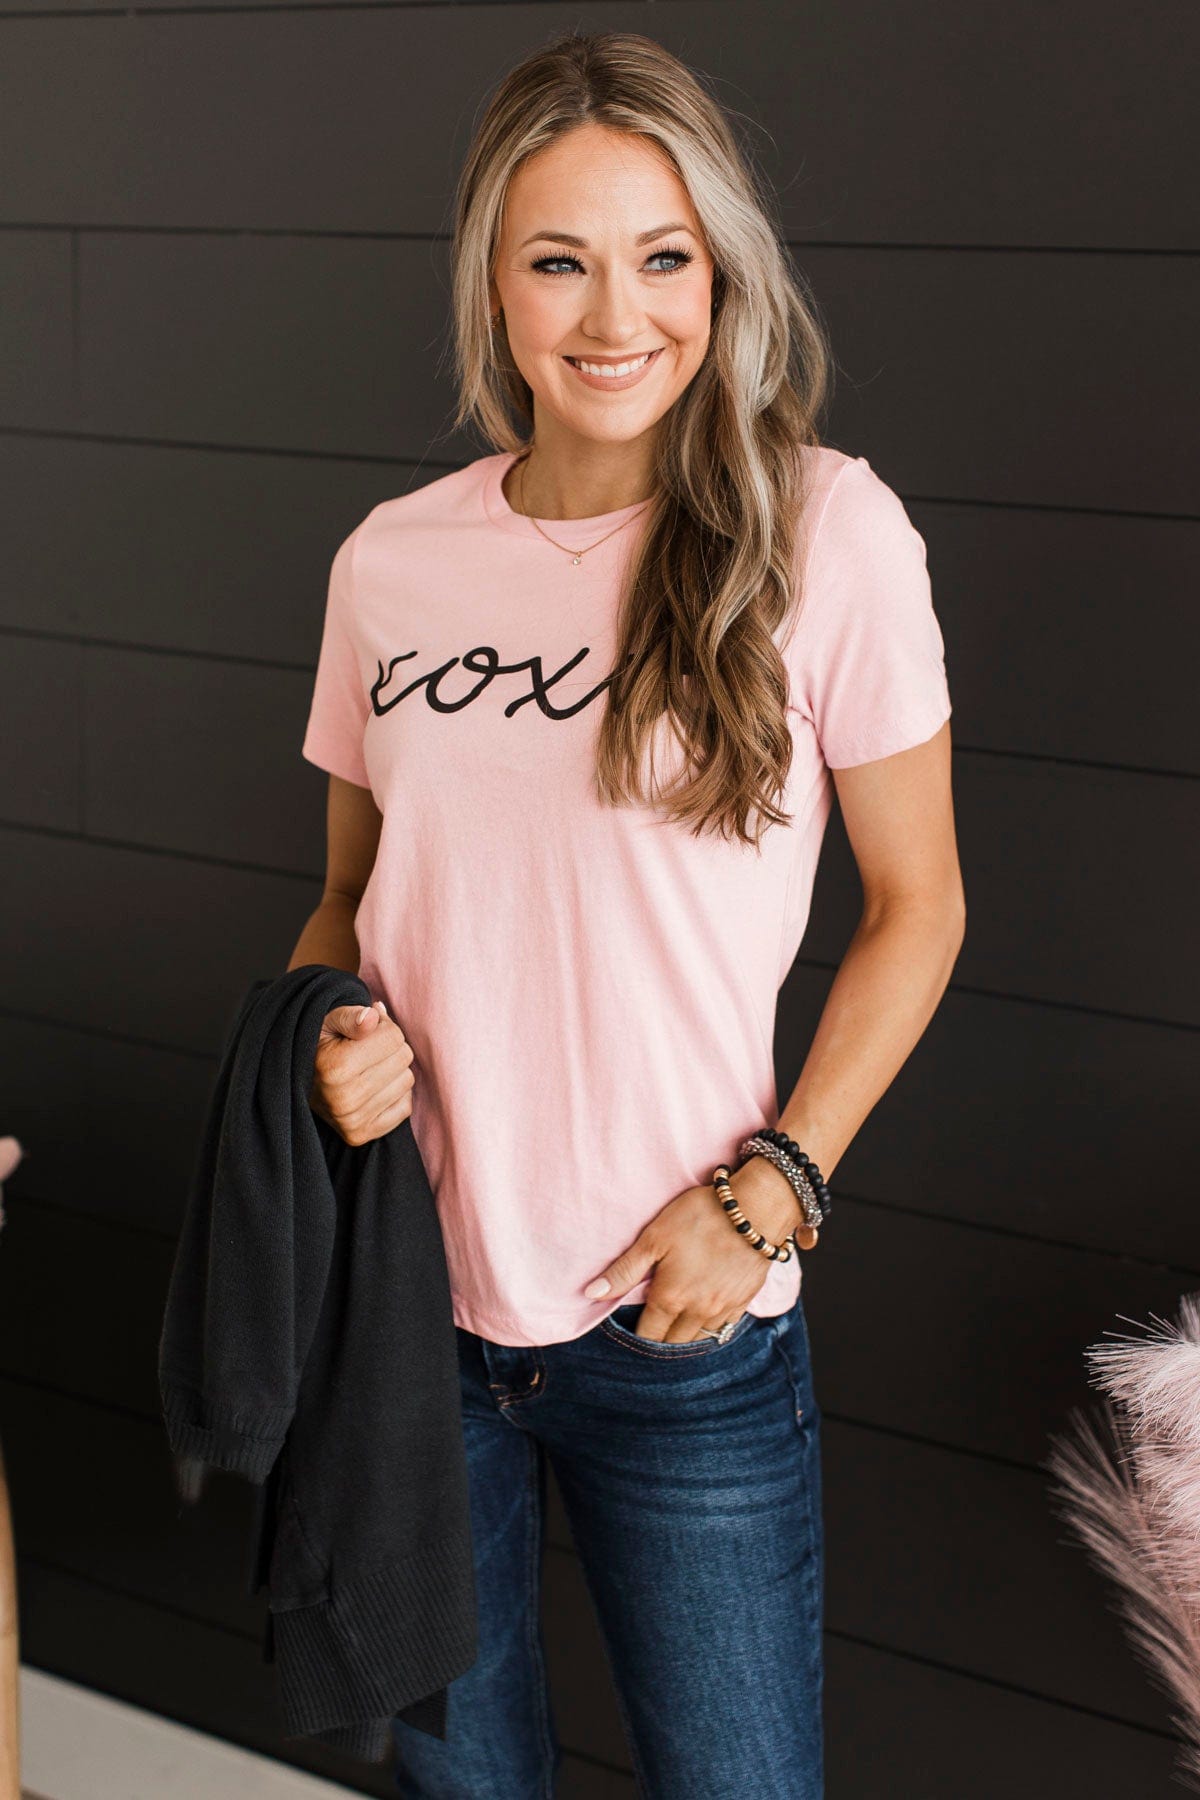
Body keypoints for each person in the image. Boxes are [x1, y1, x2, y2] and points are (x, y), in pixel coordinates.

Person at [287, 29, 964, 1800]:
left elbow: (921, 907)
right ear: (491, 286)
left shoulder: (826, 532)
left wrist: (776, 1191)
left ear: (720, 276)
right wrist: (328, 1032)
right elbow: (349, 901)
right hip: (409, 1311)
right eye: (558, 260)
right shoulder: (391, 561)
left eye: (663, 257)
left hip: (685, 1324)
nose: (615, 315)